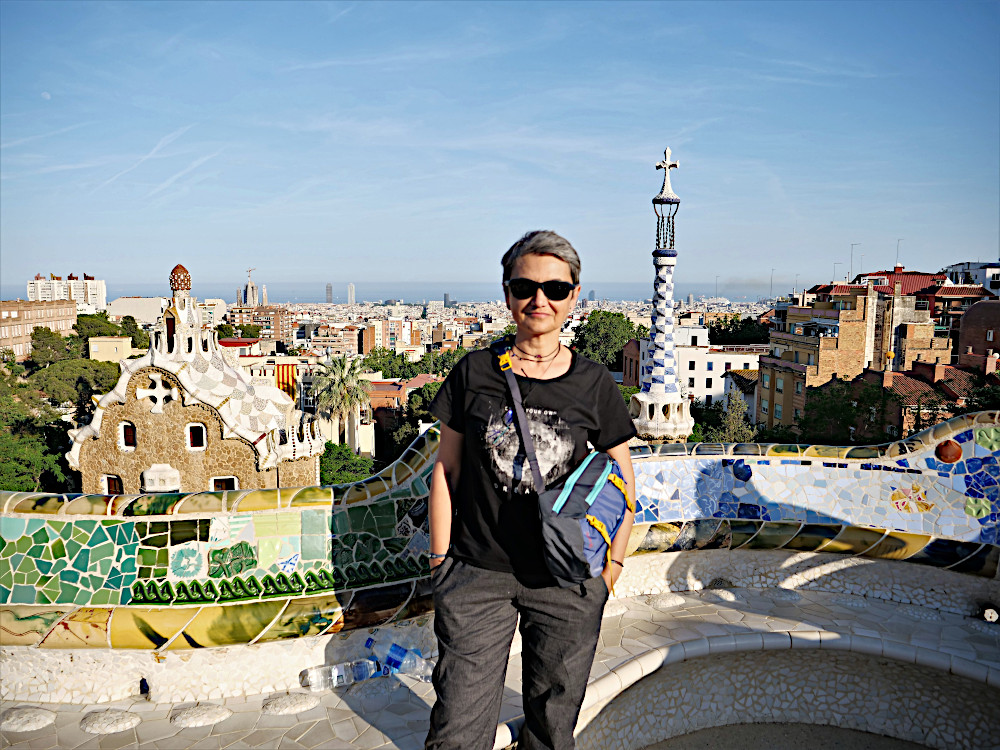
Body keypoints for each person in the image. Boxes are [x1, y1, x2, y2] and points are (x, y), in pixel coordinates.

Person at [425, 230, 637, 750]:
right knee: (457, 728)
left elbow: (623, 478)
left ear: (574, 296)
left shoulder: (593, 382)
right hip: (477, 573)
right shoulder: (474, 371)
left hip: (566, 579)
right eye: (525, 287)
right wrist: (440, 561)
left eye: (555, 289)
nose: (539, 299)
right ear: (507, 294)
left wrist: (611, 567)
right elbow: (445, 469)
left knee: (552, 727)